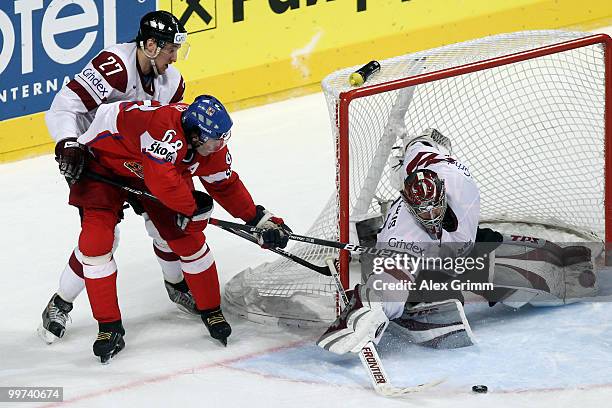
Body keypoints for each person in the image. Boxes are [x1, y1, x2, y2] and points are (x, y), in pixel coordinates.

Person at [317, 128, 598, 354]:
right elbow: (389, 286)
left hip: (454, 251)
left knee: (542, 268)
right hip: (419, 266)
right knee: (441, 307)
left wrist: (420, 140)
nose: (429, 215)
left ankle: (551, 264)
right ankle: (412, 307)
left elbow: (422, 148)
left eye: (433, 207)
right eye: (421, 211)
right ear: (407, 202)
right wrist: (370, 310)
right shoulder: (401, 233)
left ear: (442, 191)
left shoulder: (459, 182)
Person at [64, 95, 291, 363]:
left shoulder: (207, 146)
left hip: (146, 168)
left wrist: (257, 219)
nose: (220, 145)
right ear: (195, 135)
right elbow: (163, 183)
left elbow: (224, 185)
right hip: (104, 163)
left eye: (223, 138)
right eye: (214, 139)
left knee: (189, 240)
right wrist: (192, 209)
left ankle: (210, 310)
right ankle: (108, 326)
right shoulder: (164, 132)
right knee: (96, 242)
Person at [40, 10, 195, 343]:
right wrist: (68, 143)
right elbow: (64, 106)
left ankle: (177, 285)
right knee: (102, 240)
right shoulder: (113, 67)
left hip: (136, 160)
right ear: (151, 45)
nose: (174, 56)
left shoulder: (172, 82)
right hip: (93, 158)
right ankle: (60, 303)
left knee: (164, 222)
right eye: (169, 48)